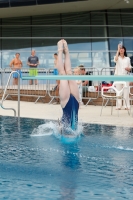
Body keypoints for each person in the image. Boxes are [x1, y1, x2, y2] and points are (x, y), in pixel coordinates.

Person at [56, 39, 79, 133]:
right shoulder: (73, 131)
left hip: (66, 104)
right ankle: (66, 50)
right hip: (76, 103)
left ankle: (60, 50)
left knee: (63, 73)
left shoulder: (62, 130)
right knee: (69, 72)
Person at [114, 44, 131, 110]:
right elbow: (115, 59)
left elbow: (130, 67)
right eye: (120, 49)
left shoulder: (127, 59)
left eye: (122, 48)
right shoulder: (117, 57)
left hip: (126, 76)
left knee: (126, 91)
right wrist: (117, 50)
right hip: (118, 76)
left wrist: (128, 69)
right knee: (118, 91)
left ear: (124, 50)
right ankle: (118, 106)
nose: (121, 50)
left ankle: (126, 106)